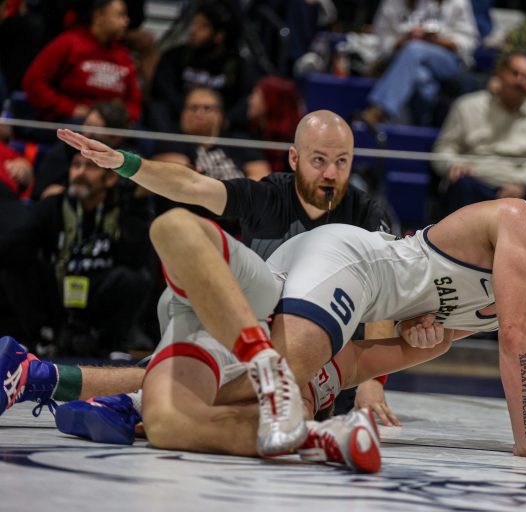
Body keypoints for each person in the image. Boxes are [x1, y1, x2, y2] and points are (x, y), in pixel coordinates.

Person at [56, 126, 526, 469]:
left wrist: (418, 342)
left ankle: (90, 391)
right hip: (351, 263)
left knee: (239, 390)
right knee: (284, 385)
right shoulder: (522, 220)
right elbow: (514, 337)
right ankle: (163, 411)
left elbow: (427, 339)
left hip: (342, 299)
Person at [1, 111, 397, 427]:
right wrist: (126, 163)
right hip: (250, 329)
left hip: (318, 351)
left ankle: (61, 383)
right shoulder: (267, 195)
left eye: (342, 162)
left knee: (209, 385)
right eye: (319, 160)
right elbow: (192, 187)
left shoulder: (365, 211)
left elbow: (385, 297)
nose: (331, 173)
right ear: (294, 158)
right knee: (198, 373)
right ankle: (70, 385)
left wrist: (373, 386)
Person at [0, 151, 154, 358]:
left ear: (110, 178)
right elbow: (16, 245)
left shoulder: (122, 206)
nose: (80, 173)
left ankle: (113, 343)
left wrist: (138, 207)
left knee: (136, 278)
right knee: (15, 266)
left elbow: (138, 257)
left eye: (90, 167)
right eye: (76, 165)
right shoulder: (54, 204)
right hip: (60, 286)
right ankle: (42, 337)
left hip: (100, 288)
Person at [432, 50, 526, 214]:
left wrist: (521, 183)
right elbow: (444, 148)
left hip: (521, 188)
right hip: (475, 181)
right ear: (500, 73)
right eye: (515, 73)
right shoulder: (467, 106)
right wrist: (454, 165)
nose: (520, 81)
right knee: (462, 185)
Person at [359, 0, 479, 126]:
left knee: (414, 48)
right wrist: (405, 39)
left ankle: (381, 109)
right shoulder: (392, 3)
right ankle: (421, 129)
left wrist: (438, 40)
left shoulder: (458, 2)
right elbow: (383, 44)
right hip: (404, 62)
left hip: (449, 63)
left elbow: (469, 42)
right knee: (422, 78)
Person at [21, 0, 142, 122]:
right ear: (99, 16)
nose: (126, 21)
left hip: (110, 123)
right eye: (120, 15)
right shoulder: (68, 43)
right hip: (71, 120)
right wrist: (71, 109)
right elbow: (33, 82)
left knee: (143, 137)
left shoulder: (123, 55)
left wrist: (123, 117)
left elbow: (134, 101)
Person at [147, 0, 257, 132]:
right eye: (194, 24)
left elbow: (245, 98)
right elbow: (163, 91)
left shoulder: (236, 64)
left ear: (219, 36)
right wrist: (190, 111)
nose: (193, 31)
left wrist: (224, 119)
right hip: (179, 122)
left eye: (203, 27)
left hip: (219, 128)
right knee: (157, 109)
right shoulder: (175, 56)